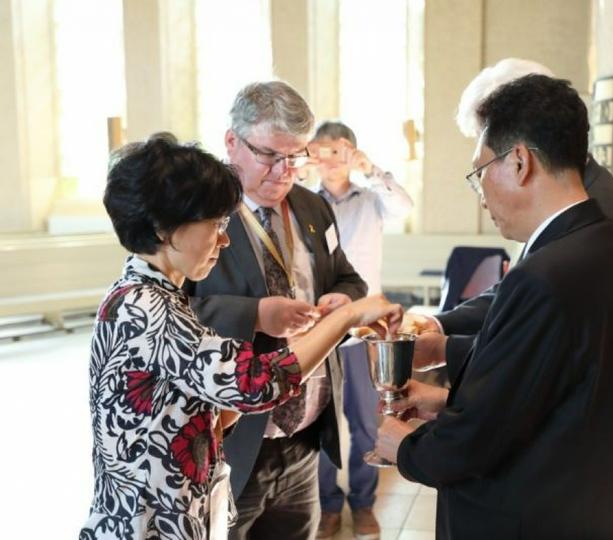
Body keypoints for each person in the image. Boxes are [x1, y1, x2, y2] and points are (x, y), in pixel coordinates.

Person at [376, 74, 613, 538]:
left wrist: (403, 447)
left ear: (520, 161)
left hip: (537, 515)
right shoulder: (611, 245)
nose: (482, 192)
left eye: (479, 172)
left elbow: (476, 442)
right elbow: (563, 386)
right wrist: (449, 396)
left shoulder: (545, 274)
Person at [80, 138, 402, 540]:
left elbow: (194, 406)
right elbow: (257, 383)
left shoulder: (154, 294)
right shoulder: (145, 307)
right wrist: (348, 316)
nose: (225, 239)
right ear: (164, 229)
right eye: (215, 225)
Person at [184, 81, 368, 540]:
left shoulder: (312, 207)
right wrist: (257, 315)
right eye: (270, 155)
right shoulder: (196, 212)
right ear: (232, 143)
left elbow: (348, 277)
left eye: (297, 156)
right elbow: (170, 311)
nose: (286, 171)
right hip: (234, 441)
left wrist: (341, 299)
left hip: (304, 438)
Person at [308, 121, 413, 538]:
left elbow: (404, 207)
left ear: (350, 151)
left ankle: (364, 503)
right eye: (320, 151)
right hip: (319, 328)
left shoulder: (371, 199)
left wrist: (373, 170)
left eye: (337, 151)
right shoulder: (302, 202)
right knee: (320, 422)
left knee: (366, 423)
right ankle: (329, 505)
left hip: (365, 331)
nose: (327, 160)